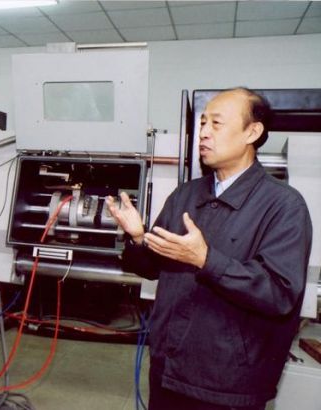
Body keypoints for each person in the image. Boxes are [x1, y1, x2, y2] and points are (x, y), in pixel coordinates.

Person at [107, 87, 312, 410]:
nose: (203, 133)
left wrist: (206, 260)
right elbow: (152, 267)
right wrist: (138, 237)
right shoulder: (185, 195)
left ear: (252, 132)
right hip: (167, 369)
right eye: (203, 123)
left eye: (216, 123)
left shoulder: (283, 206)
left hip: (227, 385)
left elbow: (279, 293)